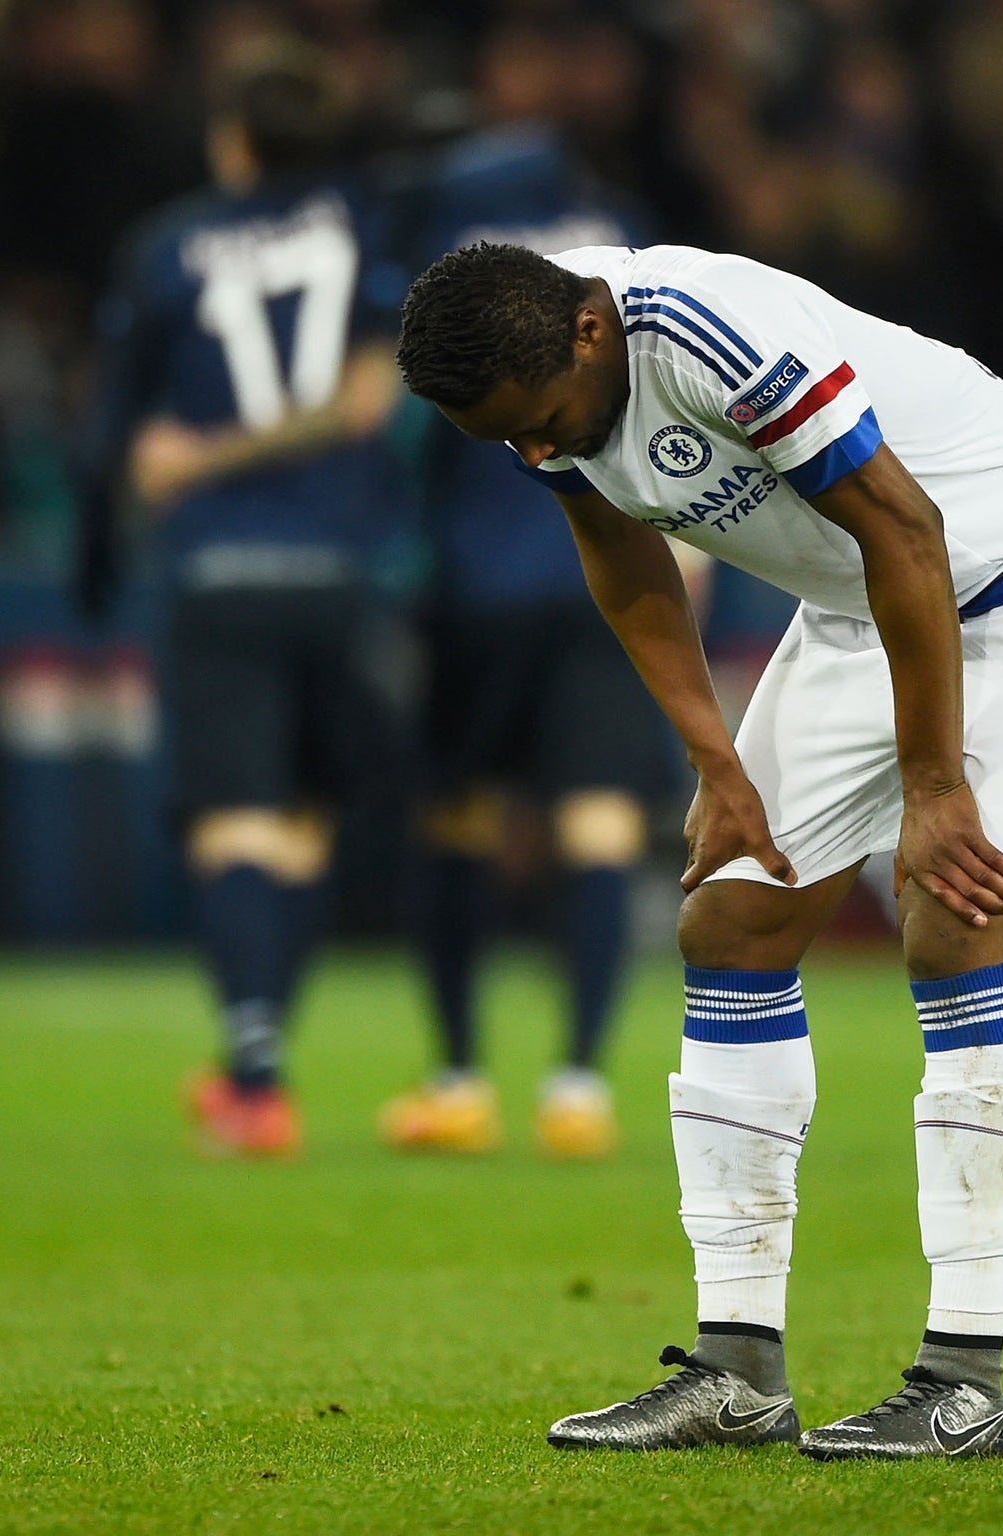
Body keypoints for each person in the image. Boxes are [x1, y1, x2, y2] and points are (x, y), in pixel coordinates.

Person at [396, 241, 1003, 1459]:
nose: (536, 451)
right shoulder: (530, 369)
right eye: (509, 442)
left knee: (950, 908)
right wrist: (714, 762)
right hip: (868, 602)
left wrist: (932, 787)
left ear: (589, 333)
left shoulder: (710, 337)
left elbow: (905, 526)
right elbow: (620, 547)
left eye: (542, 426)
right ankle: (734, 1371)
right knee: (731, 918)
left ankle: (961, 1380)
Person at [78, 38, 407, 1157]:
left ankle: (257, 1079)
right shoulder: (370, 229)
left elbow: (113, 436)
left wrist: (127, 520)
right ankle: (252, 1071)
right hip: (342, 567)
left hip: (217, 569)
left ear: (232, 143)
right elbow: (370, 403)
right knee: (303, 826)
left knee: (234, 825)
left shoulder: (167, 248)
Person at [376, 126, 670, 1159]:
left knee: (456, 815)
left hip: (479, 581)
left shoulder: (443, 251)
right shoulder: (619, 245)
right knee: (596, 822)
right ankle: (579, 1085)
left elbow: (400, 420)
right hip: (613, 564)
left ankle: (458, 1077)